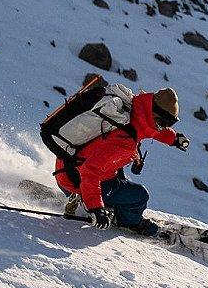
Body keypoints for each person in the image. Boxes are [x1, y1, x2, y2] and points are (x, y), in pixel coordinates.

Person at [53, 85, 189, 236]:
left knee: (119, 176)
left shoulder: (134, 109)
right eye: (163, 123)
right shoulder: (125, 140)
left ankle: (83, 198)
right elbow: (90, 170)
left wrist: (174, 139)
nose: (163, 127)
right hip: (77, 181)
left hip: (66, 169)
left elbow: (151, 130)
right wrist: (95, 208)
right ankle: (129, 221)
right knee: (140, 195)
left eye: (169, 124)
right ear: (154, 114)